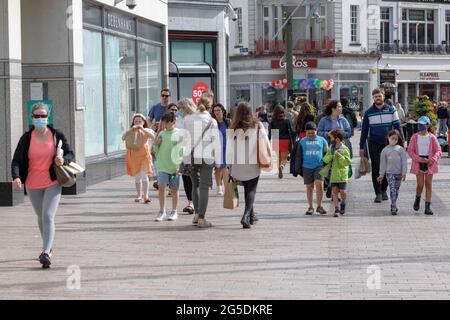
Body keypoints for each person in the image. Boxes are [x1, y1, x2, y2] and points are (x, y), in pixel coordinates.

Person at [11, 103, 74, 268]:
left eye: (43, 116)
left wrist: (63, 160)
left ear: (48, 117)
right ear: (32, 118)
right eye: (37, 116)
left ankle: (46, 252)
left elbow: (70, 153)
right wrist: (16, 177)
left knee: (47, 215)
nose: (40, 119)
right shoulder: (26, 138)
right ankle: (48, 245)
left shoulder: (56, 134)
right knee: (41, 217)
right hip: (32, 183)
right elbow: (17, 159)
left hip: (53, 181)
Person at [227, 102, 271, 228]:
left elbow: (229, 149)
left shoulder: (233, 127)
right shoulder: (257, 125)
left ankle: (251, 216)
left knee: (247, 189)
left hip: (238, 164)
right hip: (253, 162)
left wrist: (229, 166)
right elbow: (266, 143)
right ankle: (246, 215)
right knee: (251, 189)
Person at [359, 88, 403, 203]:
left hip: (388, 144)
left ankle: (384, 190)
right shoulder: (368, 112)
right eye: (376, 96)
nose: (378, 98)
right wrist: (361, 147)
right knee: (377, 168)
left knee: (388, 168)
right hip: (374, 143)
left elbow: (398, 127)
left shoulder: (392, 110)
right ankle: (377, 193)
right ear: (373, 98)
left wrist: (402, 142)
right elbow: (364, 131)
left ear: (383, 96)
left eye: (380, 96)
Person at [183, 96, 221, 228]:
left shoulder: (188, 119)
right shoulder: (212, 121)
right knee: (204, 186)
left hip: (192, 156)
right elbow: (215, 142)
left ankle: (196, 214)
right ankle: (202, 218)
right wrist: (218, 161)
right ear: (210, 107)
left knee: (195, 185)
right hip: (206, 156)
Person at [152, 112, 184, 221]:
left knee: (174, 189)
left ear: (173, 122)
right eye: (164, 123)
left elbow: (182, 151)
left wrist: (180, 166)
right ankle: (162, 211)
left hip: (175, 166)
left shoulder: (179, 134)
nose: (165, 125)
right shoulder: (161, 134)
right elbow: (155, 150)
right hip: (162, 165)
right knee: (161, 187)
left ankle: (174, 211)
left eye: (167, 123)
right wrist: (156, 143)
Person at [407, 116, 442, 215]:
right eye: (419, 124)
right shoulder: (414, 137)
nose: (421, 126)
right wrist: (418, 159)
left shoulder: (432, 137)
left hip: (429, 162)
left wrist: (433, 159)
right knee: (420, 184)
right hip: (418, 162)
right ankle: (417, 198)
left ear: (428, 125)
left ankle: (427, 206)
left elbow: (438, 150)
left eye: (423, 124)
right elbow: (410, 150)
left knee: (428, 184)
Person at [122, 114, 155, 203]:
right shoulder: (131, 131)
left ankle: (146, 195)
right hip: (134, 156)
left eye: (139, 121)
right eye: (136, 121)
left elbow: (152, 137)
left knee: (144, 176)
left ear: (144, 122)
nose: (137, 123)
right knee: (137, 177)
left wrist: (142, 129)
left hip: (144, 156)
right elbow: (123, 137)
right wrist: (130, 130)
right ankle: (139, 195)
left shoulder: (146, 130)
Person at [321, 129, 351, 217]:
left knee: (343, 191)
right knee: (334, 192)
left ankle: (343, 205)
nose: (330, 139)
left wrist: (340, 156)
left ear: (337, 139)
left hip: (342, 175)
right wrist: (331, 156)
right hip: (333, 174)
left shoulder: (345, 149)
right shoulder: (331, 148)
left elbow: (347, 162)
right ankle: (336, 209)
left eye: (331, 138)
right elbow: (325, 159)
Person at [300, 122, 329, 215]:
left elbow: (327, 151)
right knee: (309, 187)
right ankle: (310, 207)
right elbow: (298, 155)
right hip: (306, 166)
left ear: (316, 131)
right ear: (305, 132)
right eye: (309, 133)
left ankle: (319, 206)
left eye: (313, 132)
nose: (311, 135)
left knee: (319, 185)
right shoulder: (302, 141)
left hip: (319, 166)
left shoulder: (322, 140)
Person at [378, 130, 408, 215]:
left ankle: (393, 203)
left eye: (396, 139)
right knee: (392, 189)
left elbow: (404, 162)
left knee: (396, 190)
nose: (394, 140)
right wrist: (381, 174)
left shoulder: (400, 149)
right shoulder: (385, 150)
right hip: (389, 173)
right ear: (388, 138)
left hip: (398, 173)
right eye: (392, 138)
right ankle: (394, 206)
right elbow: (383, 163)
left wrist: (404, 172)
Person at [176, 98, 197, 214]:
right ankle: (190, 202)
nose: (179, 110)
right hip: (183, 151)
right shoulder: (179, 119)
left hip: (194, 151)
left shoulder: (195, 118)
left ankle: (195, 202)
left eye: (181, 108)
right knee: (185, 177)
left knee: (192, 177)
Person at [269, 105, 293, 179]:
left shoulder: (272, 121)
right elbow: (290, 132)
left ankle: (279, 168)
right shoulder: (286, 121)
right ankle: (282, 167)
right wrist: (291, 142)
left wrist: (268, 140)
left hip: (276, 139)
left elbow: (270, 132)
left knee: (278, 157)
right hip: (285, 139)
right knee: (284, 158)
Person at [212, 103, 230, 196]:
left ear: (222, 111)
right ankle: (219, 186)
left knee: (225, 168)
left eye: (218, 110)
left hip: (227, 148)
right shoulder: (213, 123)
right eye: (215, 110)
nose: (216, 112)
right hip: (217, 149)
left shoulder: (228, 122)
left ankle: (227, 188)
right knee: (218, 169)